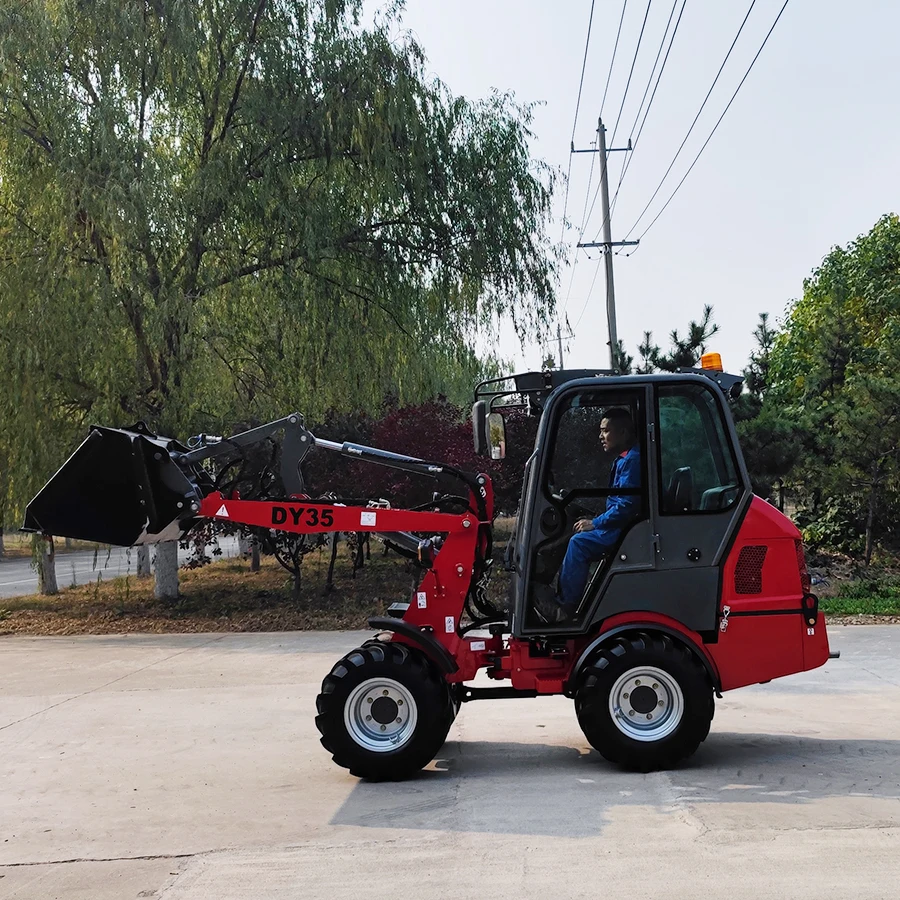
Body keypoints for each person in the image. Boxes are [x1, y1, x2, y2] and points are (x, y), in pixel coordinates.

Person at [538, 407, 641, 624]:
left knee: (579, 543)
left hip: (624, 529)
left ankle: (566, 608)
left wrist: (596, 522)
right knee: (573, 527)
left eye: (606, 431)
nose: (601, 436)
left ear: (622, 432)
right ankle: (555, 593)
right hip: (621, 524)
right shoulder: (624, 459)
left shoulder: (633, 460)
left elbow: (626, 506)